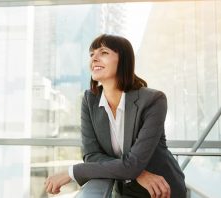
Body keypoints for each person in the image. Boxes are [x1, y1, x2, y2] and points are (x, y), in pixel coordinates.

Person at [44, 34, 186, 198]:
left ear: (123, 60)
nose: (94, 58)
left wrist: (72, 172)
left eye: (103, 53)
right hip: (124, 191)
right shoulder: (89, 100)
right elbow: (92, 155)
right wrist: (138, 173)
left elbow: (133, 164)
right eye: (92, 54)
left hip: (163, 190)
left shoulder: (153, 100)